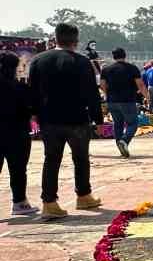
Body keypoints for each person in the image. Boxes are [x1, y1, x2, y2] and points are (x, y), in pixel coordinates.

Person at [27, 22, 103, 220]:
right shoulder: (82, 62)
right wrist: (98, 118)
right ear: (76, 40)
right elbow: (91, 93)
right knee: (81, 158)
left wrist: (34, 113)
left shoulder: (38, 61)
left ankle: (49, 202)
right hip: (76, 118)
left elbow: (32, 91)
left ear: (55, 38)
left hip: (49, 119)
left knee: (51, 160)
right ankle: (84, 196)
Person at [1, 51, 37, 216]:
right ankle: (19, 202)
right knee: (17, 169)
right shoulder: (20, 87)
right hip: (17, 132)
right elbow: (30, 109)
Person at [100, 48, 147, 158]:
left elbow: (102, 85)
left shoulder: (106, 69)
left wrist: (108, 94)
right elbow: (140, 84)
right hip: (127, 100)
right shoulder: (132, 68)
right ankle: (124, 141)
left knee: (118, 123)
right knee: (133, 123)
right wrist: (147, 97)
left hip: (112, 101)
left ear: (113, 56)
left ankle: (120, 144)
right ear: (125, 55)